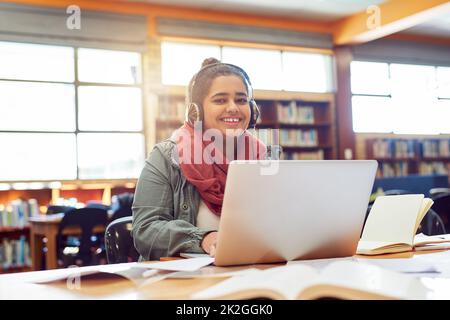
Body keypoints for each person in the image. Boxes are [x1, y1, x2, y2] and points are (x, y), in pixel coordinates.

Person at [132, 58, 266, 261]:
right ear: (197, 111)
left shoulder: (263, 158)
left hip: (249, 270)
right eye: (220, 100)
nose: (233, 108)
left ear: (253, 109)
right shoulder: (166, 156)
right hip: (182, 283)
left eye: (241, 100)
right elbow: (146, 230)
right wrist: (203, 239)